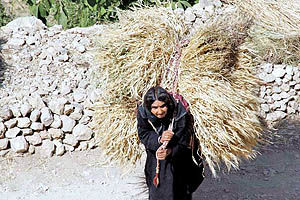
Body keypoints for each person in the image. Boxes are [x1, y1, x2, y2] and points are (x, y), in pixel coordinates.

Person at [137, 86, 204, 200]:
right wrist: (159, 140)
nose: (160, 111)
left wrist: (171, 151)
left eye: (163, 106)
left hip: (180, 157)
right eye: (155, 107)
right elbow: (143, 133)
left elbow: (185, 139)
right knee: (158, 191)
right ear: (149, 107)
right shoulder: (144, 113)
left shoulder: (179, 113)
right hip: (156, 157)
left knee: (181, 191)